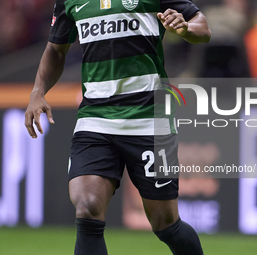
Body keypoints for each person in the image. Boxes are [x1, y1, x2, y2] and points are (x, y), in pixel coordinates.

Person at [25, 1, 211, 254]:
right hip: (96, 117)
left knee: (165, 223)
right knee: (88, 206)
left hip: (148, 118)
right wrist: (38, 91)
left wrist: (186, 28)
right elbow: (56, 50)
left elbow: (203, 28)